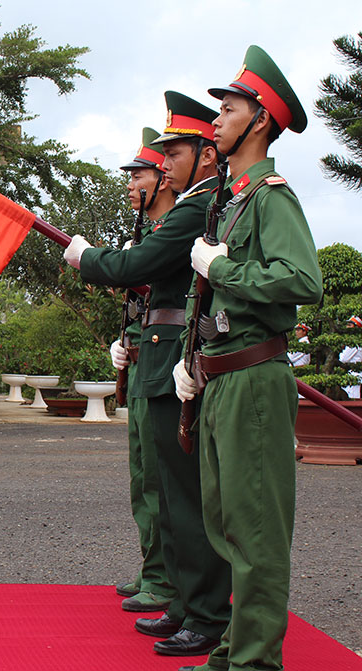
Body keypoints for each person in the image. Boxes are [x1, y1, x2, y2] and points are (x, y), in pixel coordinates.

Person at [65, 92, 233, 659]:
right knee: (167, 492)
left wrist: (85, 255)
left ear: (206, 155)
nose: (164, 163)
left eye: (175, 151)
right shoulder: (196, 202)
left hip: (177, 361)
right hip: (161, 355)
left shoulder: (198, 206)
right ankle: (187, 604)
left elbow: (137, 268)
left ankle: (207, 614)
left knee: (185, 497)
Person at [173, 45, 323, 671]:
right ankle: (237, 650)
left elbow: (301, 281)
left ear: (260, 119)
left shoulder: (270, 197)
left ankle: (256, 663)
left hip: (254, 379)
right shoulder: (230, 200)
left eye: (229, 108)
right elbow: (207, 293)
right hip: (220, 378)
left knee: (256, 531)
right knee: (227, 525)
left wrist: (224, 265)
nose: (218, 119)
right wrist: (192, 358)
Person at [87, 127, 178, 611]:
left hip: (166, 367)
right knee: (143, 478)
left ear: (162, 180)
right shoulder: (147, 234)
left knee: (162, 480)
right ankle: (154, 569)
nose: (129, 184)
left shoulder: (172, 233)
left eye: (137, 175)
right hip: (144, 364)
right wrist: (124, 342)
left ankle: (166, 581)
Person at [340, 317, 362, 398]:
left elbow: (343, 359)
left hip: (354, 373)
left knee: (353, 396)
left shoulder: (354, 342)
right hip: (350, 372)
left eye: (350, 325)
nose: (347, 327)